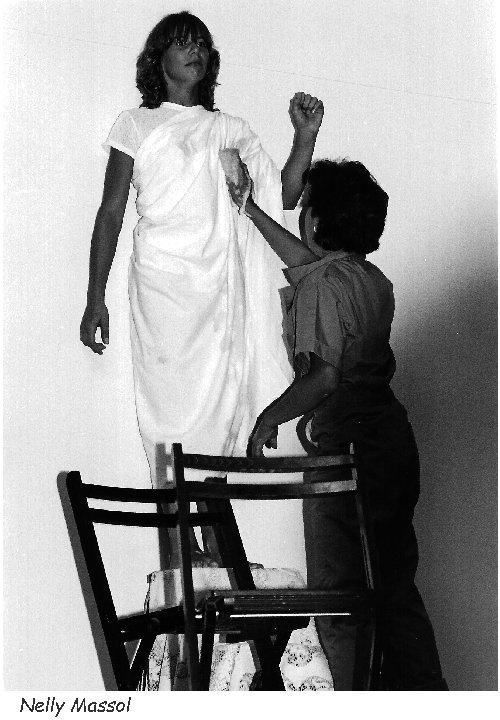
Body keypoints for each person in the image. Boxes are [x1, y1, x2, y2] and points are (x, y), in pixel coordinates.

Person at [79, 11, 323, 565]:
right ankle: (180, 547)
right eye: (182, 42)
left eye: (202, 44)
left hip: (219, 291)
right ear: (158, 58)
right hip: (163, 289)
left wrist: (304, 137)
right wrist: (95, 298)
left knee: (218, 416)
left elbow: (283, 195)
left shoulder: (230, 129)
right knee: (169, 415)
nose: (194, 51)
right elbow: (111, 211)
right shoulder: (135, 125)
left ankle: (214, 544)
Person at [223, 156, 447, 690]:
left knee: (338, 594)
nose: (300, 214)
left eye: (304, 207)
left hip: (346, 453)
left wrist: (269, 418)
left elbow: (324, 378)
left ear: (319, 220)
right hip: (390, 443)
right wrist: (250, 209)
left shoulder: (326, 285)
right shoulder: (370, 280)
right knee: (393, 588)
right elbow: (306, 263)